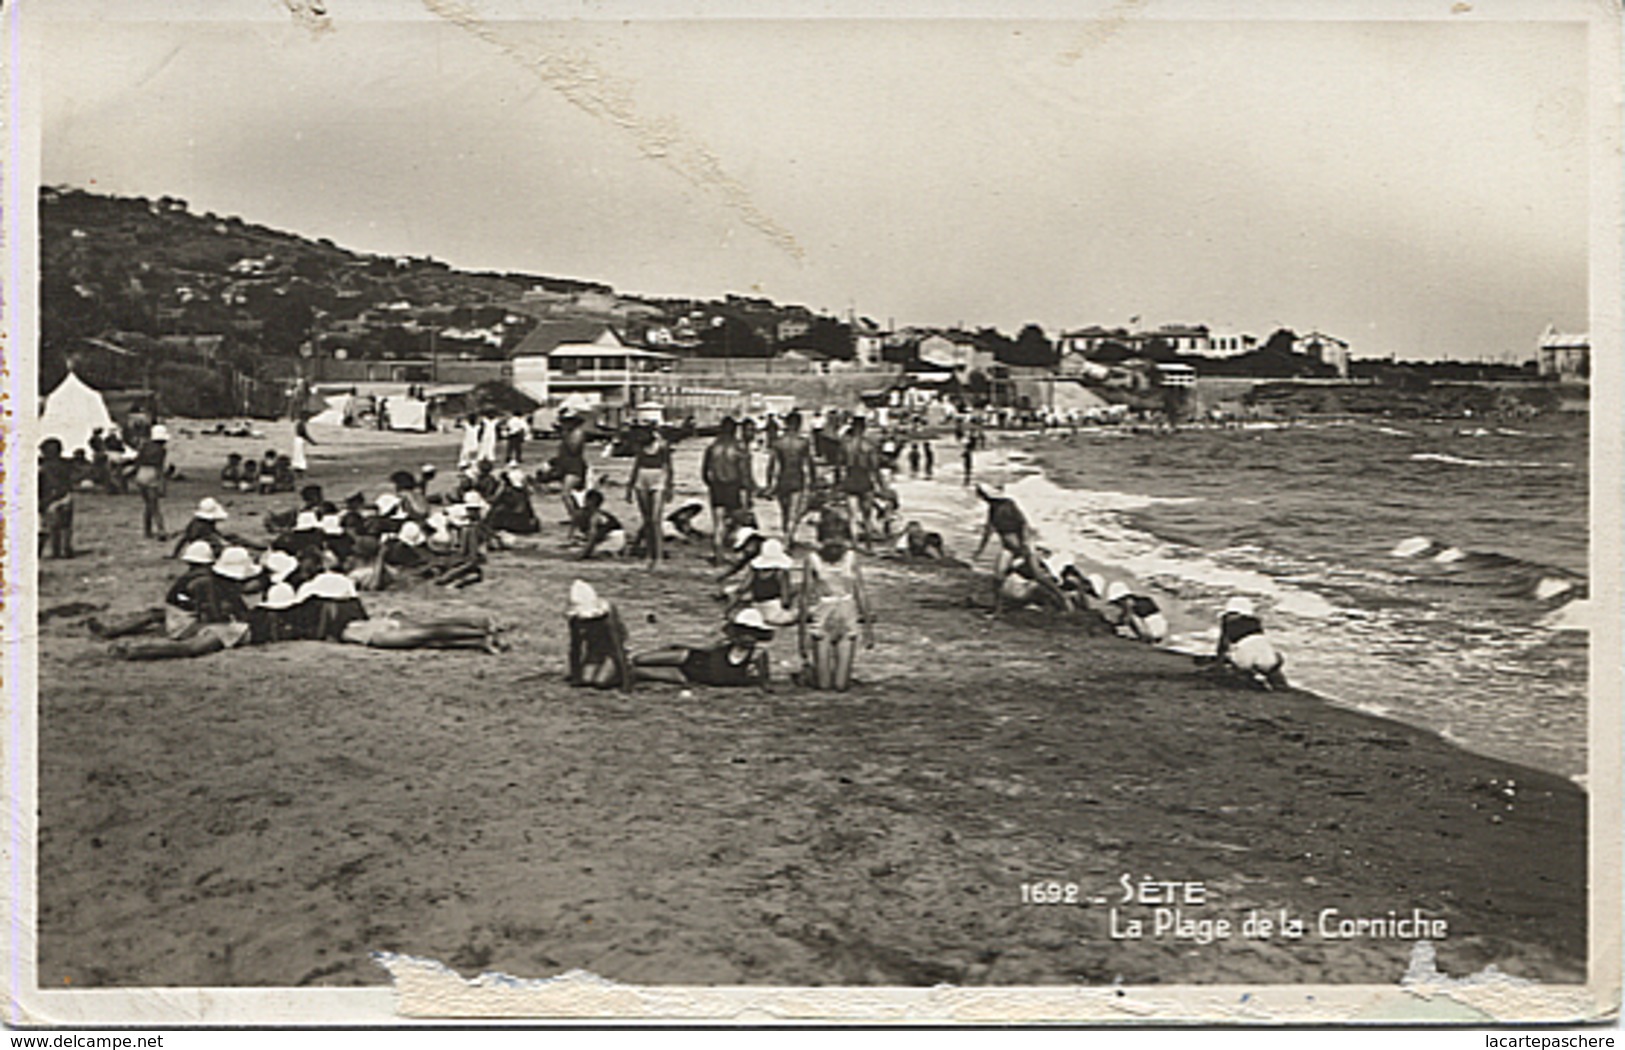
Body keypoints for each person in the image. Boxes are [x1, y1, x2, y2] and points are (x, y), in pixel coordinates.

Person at [797, 511, 874, 691]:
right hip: (822, 615)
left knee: (840, 686)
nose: (834, 543)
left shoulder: (851, 558)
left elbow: (860, 591)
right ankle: (809, 674)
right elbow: (804, 596)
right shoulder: (812, 559)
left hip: (847, 615)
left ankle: (839, 674)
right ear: (822, 538)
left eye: (839, 538)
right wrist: (802, 635)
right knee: (824, 686)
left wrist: (868, 626)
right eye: (830, 538)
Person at [631, 607, 775, 687]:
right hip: (694, 658)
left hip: (691, 676)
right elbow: (704, 649)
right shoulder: (724, 644)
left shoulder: (757, 654)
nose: (748, 637)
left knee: (636, 671)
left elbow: (764, 681)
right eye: (744, 632)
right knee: (640, 659)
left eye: (751, 634)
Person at [625, 421, 674, 570]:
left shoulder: (662, 447)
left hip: (658, 479)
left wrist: (670, 487)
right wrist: (629, 486)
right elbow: (636, 466)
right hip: (642, 479)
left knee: (655, 520)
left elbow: (669, 468)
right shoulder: (640, 448)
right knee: (647, 520)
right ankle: (649, 555)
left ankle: (658, 557)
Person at [565, 580, 631, 689]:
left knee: (601, 682)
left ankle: (624, 670)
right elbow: (575, 647)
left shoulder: (607, 618)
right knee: (587, 680)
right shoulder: (574, 620)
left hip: (611, 652)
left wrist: (626, 683)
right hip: (594, 652)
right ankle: (600, 668)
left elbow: (617, 646)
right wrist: (576, 675)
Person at [765, 410, 817, 547]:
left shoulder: (778, 442)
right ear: (799, 424)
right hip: (797, 478)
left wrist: (769, 484)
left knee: (784, 511)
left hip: (783, 479)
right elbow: (809, 464)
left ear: (786, 424)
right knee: (794, 512)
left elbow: (772, 466)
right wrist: (813, 481)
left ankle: (787, 537)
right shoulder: (803, 442)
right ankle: (788, 540)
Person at [1212, 596, 1288, 690]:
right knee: (1269, 662)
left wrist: (1220, 662)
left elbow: (1223, 645)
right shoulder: (1256, 622)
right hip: (1267, 657)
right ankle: (1277, 683)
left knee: (1236, 660)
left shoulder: (1228, 621)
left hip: (1246, 658)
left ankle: (1252, 679)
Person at [702, 417, 748, 564]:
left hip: (717, 487)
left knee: (718, 524)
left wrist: (711, 483)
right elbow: (743, 472)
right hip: (732, 486)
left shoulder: (712, 447)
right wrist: (746, 489)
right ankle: (737, 554)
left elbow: (704, 472)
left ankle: (718, 555)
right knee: (739, 522)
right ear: (735, 430)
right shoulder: (738, 447)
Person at [726, 537, 799, 627]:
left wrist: (730, 608)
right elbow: (785, 597)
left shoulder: (754, 571)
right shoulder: (780, 573)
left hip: (757, 608)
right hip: (774, 611)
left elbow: (743, 588)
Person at [840, 416, 882, 545]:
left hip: (850, 479)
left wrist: (838, 484)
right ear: (864, 428)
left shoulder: (846, 445)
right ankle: (869, 544)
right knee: (867, 515)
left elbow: (840, 466)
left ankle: (854, 542)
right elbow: (874, 467)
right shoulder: (869, 445)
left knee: (852, 516)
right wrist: (880, 485)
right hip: (865, 480)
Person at [38, 438, 75, 560]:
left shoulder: (44, 467)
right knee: (66, 526)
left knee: (52, 527)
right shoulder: (65, 465)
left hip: (52, 499)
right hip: (66, 496)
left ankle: (56, 551)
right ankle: (66, 550)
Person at [133, 424, 171, 541]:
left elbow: (137, 461)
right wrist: (162, 483)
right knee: (155, 505)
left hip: (141, 473)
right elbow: (160, 467)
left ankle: (147, 530)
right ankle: (161, 530)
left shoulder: (145, 447)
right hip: (152, 473)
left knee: (148, 504)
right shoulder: (162, 450)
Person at [556, 413, 591, 540]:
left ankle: (576, 518)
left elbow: (574, 449)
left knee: (566, 494)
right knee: (571, 496)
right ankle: (576, 517)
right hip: (566, 465)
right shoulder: (570, 433)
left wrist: (565, 435)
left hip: (575, 466)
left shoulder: (577, 433)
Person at [578, 488, 627, 559]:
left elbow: (593, 536)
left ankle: (610, 552)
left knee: (593, 552)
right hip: (619, 538)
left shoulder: (595, 516)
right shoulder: (601, 514)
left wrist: (583, 554)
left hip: (613, 539)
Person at [292, 417, 316, 481]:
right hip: (300, 441)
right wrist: (312, 442)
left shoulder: (299, 424)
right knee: (300, 456)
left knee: (297, 455)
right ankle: (300, 473)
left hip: (297, 440)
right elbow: (304, 434)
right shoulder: (301, 424)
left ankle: (297, 472)